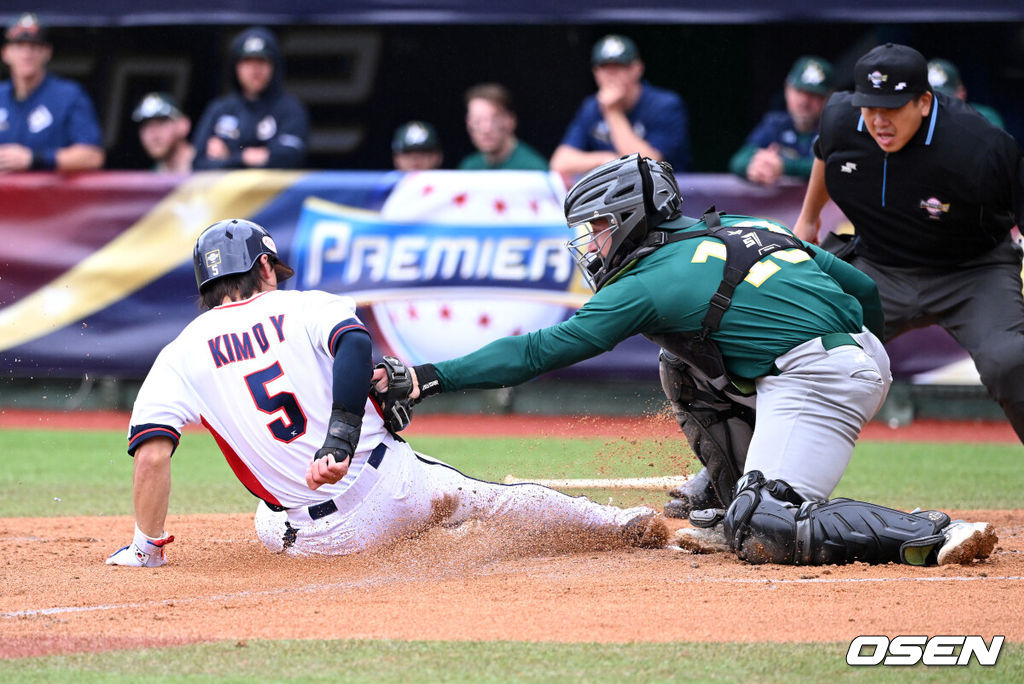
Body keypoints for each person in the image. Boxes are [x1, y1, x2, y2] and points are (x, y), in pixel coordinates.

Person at [378, 153, 998, 567]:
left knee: (764, 531)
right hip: (839, 356)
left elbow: (541, 350)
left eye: (595, 228)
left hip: (818, 378)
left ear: (626, 222)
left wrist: (429, 376)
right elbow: (862, 292)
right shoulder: (744, 222)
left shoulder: (646, 283)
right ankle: (733, 489)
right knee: (680, 361)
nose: (588, 244)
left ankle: (931, 533)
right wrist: (858, 356)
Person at [106, 218, 667, 566]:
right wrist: (342, 436)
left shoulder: (177, 353)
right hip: (387, 490)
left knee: (266, 512)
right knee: (487, 498)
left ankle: (147, 552)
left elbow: (151, 455)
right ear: (263, 268)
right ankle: (615, 525)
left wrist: (148, 546)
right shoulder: (305, 305)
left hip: (303, 540)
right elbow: (353, 345)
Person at [793, 43, 1024, 445]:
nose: (879, 120)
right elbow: (824, 154)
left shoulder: (979, 144)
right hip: (878, 270)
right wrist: (808, 219)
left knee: (1011, 362)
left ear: (923, 102)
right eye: (870, 106)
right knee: (788, 347)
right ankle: (737, 475)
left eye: (892, 107)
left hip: (973, 273)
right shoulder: (841, 118)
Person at [549, 35, 690, 178]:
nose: (611, 75)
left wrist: (612, 111)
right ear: (595, 73)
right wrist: (604, 159)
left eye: (619, 67)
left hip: (664, 194)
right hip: (613, 194)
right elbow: (560, 163)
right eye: (604, 67)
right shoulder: (591, 106)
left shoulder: (665, 105)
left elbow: (647, 166)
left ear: (637, 69)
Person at [192, 26, 309, 170]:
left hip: (275, 191)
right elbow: (198, 164)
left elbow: (290, 157)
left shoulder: (290, 108)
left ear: (274, 66)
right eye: (247, 61)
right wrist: (243, 158)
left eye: (262, 61)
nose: (255, 69)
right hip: (228, 191)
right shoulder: (220, 109)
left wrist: (229, 156)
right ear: (236, 67)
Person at [0, 12, 103, 173]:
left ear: (47, 52)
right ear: (5, 53)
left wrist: (34, 159)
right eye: (19, 45)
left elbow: (93, 156)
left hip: (50, 196)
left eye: (34, 46)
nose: (27, 54)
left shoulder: (68, 95)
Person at [728, 56, 834, 185]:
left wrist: (783, 166)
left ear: (828, 98)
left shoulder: (837, 129)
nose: (804, 101)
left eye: (813, 95)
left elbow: (835, 167)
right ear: (787, 89)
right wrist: (755, 168)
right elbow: (739, 160)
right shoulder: (776, 124)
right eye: (799, 91)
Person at [458, 83, 547, 171]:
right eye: (477, 121)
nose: (486, 129)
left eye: (495, 119)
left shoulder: (532, 169)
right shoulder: (470, 167)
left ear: (511, 121)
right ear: (468, 124)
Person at [927, 58, 1005, 129]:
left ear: (962, 93)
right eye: (931, 98)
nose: (937, 104)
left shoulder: (983, 117)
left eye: (945, 98)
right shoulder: (918, 120)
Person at [132, 92, 194, 173]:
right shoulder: (149, 181)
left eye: (161, 122)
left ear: (183, 125)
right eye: (145, 125)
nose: (153, 132)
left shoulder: (210, 167)